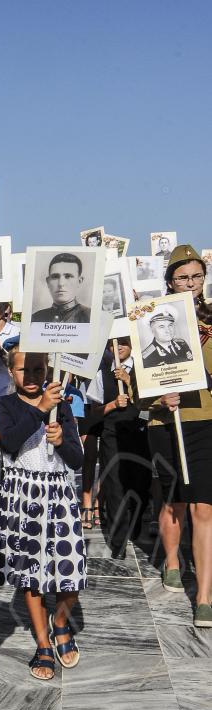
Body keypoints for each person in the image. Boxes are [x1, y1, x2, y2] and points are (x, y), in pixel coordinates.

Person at [0, 350, 85, 680]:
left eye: (37, 368)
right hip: (22, 496)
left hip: (58, 495)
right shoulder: (5, 405)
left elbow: (76, 460)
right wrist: (41, 409)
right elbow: (11, 441)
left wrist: (61, 441)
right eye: (23, 369)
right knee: (31, 576)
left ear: (46, 368)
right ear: (11, 371)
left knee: (69, 570)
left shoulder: (64, 403)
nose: (31, 375)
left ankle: (60, 622)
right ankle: (43, 642)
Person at [144, 245, 212, 627]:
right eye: (183, 277)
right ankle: (172, 559)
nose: (191, 283)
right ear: (170, 280)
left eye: (197, 276)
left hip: (205, 418)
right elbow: (139, 382)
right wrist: (158, 394)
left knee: (205, 505)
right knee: (174, 502)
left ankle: (204, 595)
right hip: (165, 421)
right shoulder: (149, 319)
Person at [87, 338, 151, 558]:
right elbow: (94, 411)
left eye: (124, 341)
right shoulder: (101, 373)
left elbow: (152, 406)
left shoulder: (145, 369)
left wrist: (130, 382)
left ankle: (137, 528)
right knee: (114, 485)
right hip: (112, 433)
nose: (119, 346)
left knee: (141, 482)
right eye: (115, 343)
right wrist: (113, 404)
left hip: (140, 431)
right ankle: (119, 541)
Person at [32, 252, 90, 323]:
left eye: (68, 276)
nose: (61, 284)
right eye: (55, 277)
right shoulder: (36, 318)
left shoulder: (90, 316)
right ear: (48, 282)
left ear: (79, 281)